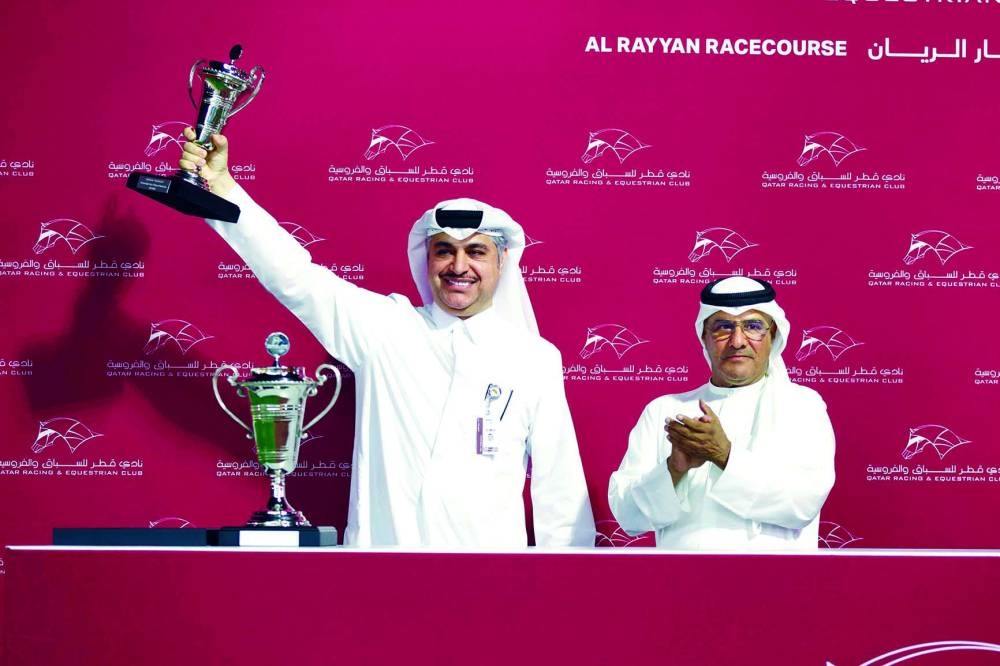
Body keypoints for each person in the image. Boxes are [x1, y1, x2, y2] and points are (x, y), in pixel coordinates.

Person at [179, 130, 594, 548]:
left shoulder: (533, 358)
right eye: (445, 250)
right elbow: (294, 276)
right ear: (427, 258)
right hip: (381, 570)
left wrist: (564, 593)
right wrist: (222, 187)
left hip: (491, 583)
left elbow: (560, 492)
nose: (459, 265)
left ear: (502, 261)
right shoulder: (385, 328)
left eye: (477, 252)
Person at [608, 276, 835, 550]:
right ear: (704, 336)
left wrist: (723, 455)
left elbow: (802, 504)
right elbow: (629, 517)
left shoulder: (803, 406)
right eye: (723, 327)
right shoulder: (664, 411)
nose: (737, 341)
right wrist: (674, 469)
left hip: (776, 585)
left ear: (773, 335)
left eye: (753, 327)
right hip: (680, 585)